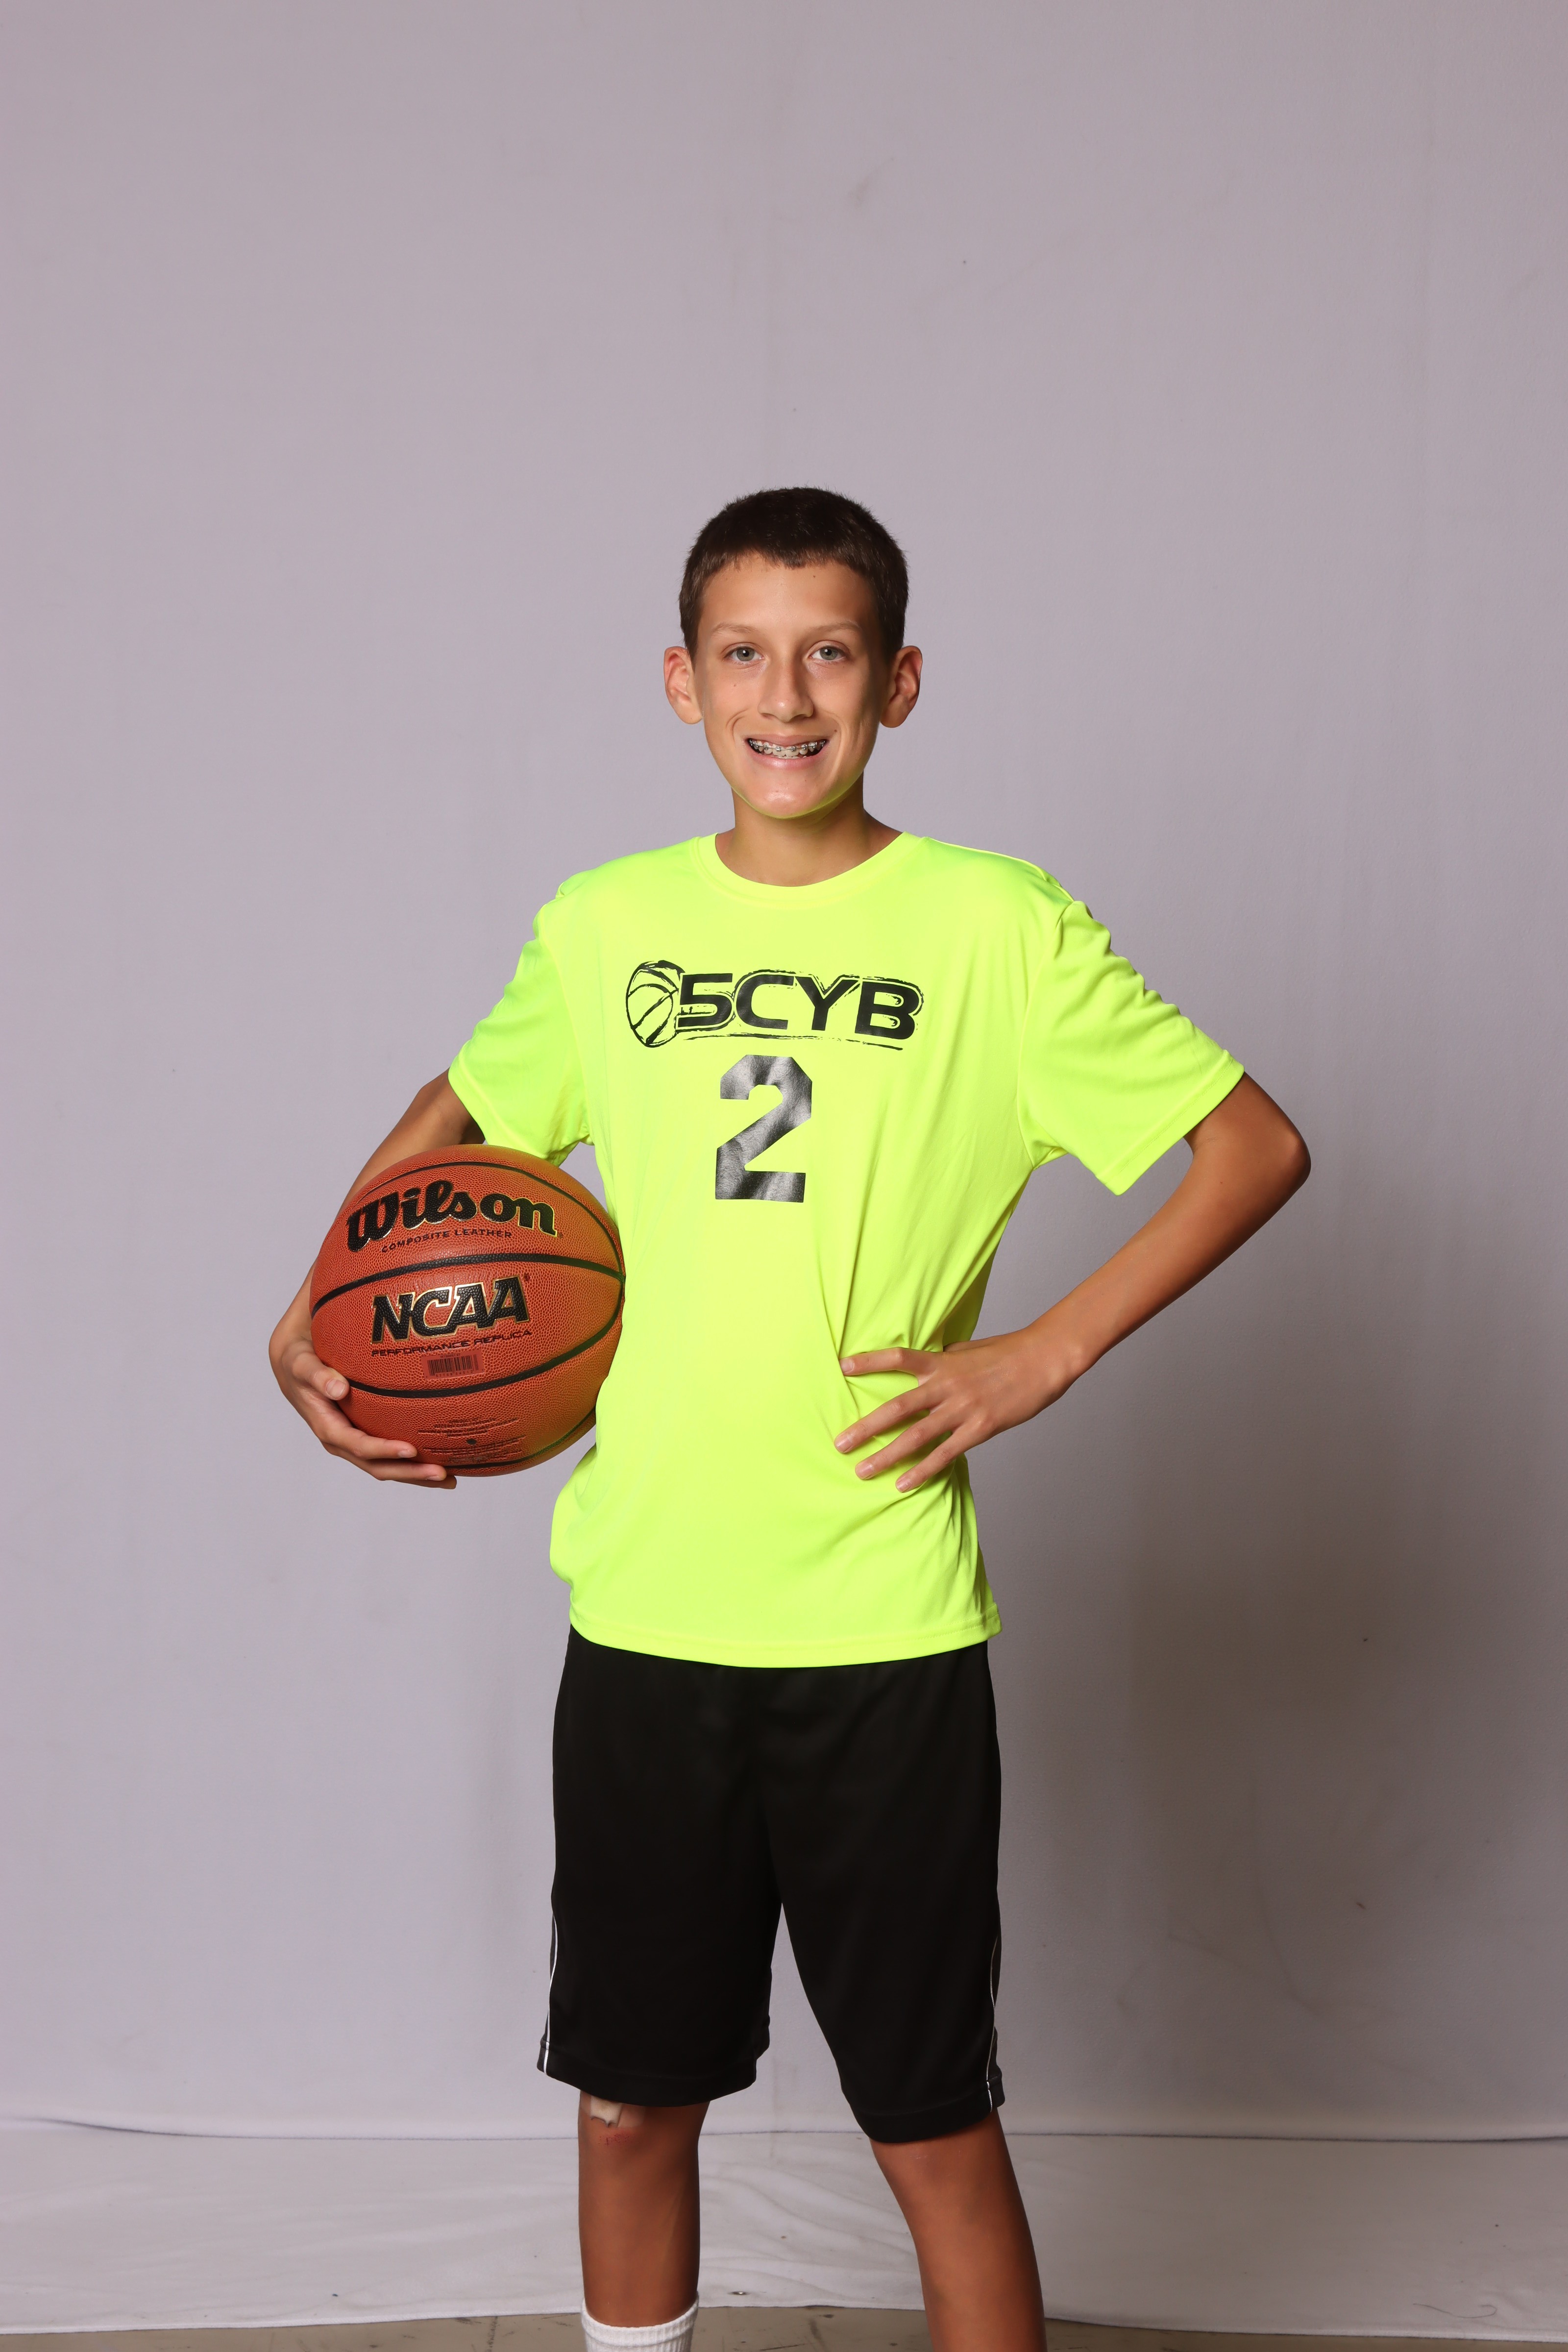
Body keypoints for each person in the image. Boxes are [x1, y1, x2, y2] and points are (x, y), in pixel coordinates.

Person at [270, 487, 1309, 2352]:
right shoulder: (607, 926)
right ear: (682, 683)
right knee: (627, 2105)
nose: (786, 694)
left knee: (929, 2123)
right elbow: (471, 1106)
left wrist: (1044, 1354)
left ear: (898, 683)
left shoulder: (994, 926)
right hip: (649, 1608)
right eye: (743, 654)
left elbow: (1252, 1147)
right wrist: (321, 1286)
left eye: (830, 652)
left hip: (880, 1622)